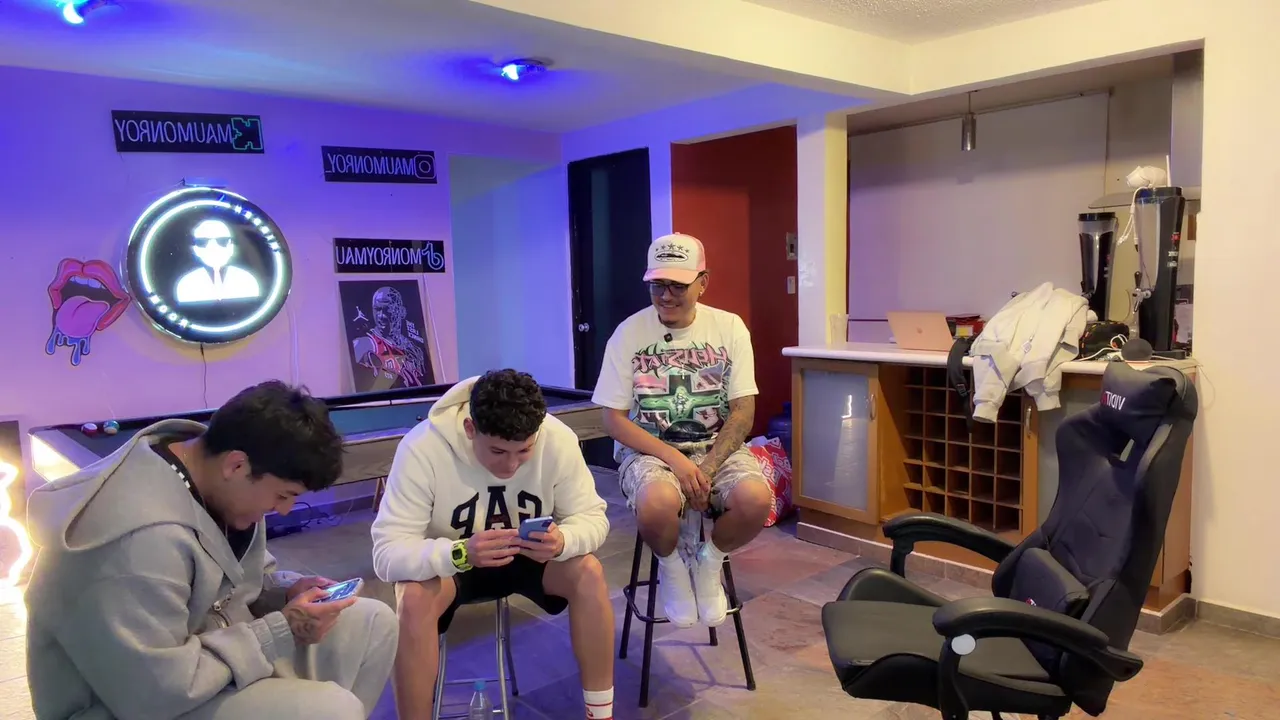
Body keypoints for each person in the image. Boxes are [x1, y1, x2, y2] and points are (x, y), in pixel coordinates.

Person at [24, 381, 399, 720]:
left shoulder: (220, 484)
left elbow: (243, 583)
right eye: (283, 495)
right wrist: (280, 629)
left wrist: (285, 593)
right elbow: (153, 694)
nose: (284, 510)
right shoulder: (139, 541)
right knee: (332, 710)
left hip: (206, 656)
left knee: (373, 622)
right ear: (236, 465)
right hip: (129, 702)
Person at [371, 369, 614, 720]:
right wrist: (459, 552)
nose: (511, 465)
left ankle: (601, 714)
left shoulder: (557, 438)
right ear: (470, 428)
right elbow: (386, 553)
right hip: (455, 564)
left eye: (525, 450)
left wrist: (564, 541)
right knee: (412, 597)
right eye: (498, 451)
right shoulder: (422, 448)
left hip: (529, 556)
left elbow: (593, 518)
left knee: (588, 572)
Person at [592, 232, 773, 629]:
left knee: (756, 500)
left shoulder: (729, 327)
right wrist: (676, 460)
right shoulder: (628, 333)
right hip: (650, 449)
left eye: (678, 285)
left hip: (715, 446)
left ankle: (709, 561)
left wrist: (706, 468)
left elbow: (743, 411)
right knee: (657, 502)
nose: (666, 295)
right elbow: (612, 419)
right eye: (657, 284)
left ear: (702, 283)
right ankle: (672, 567)